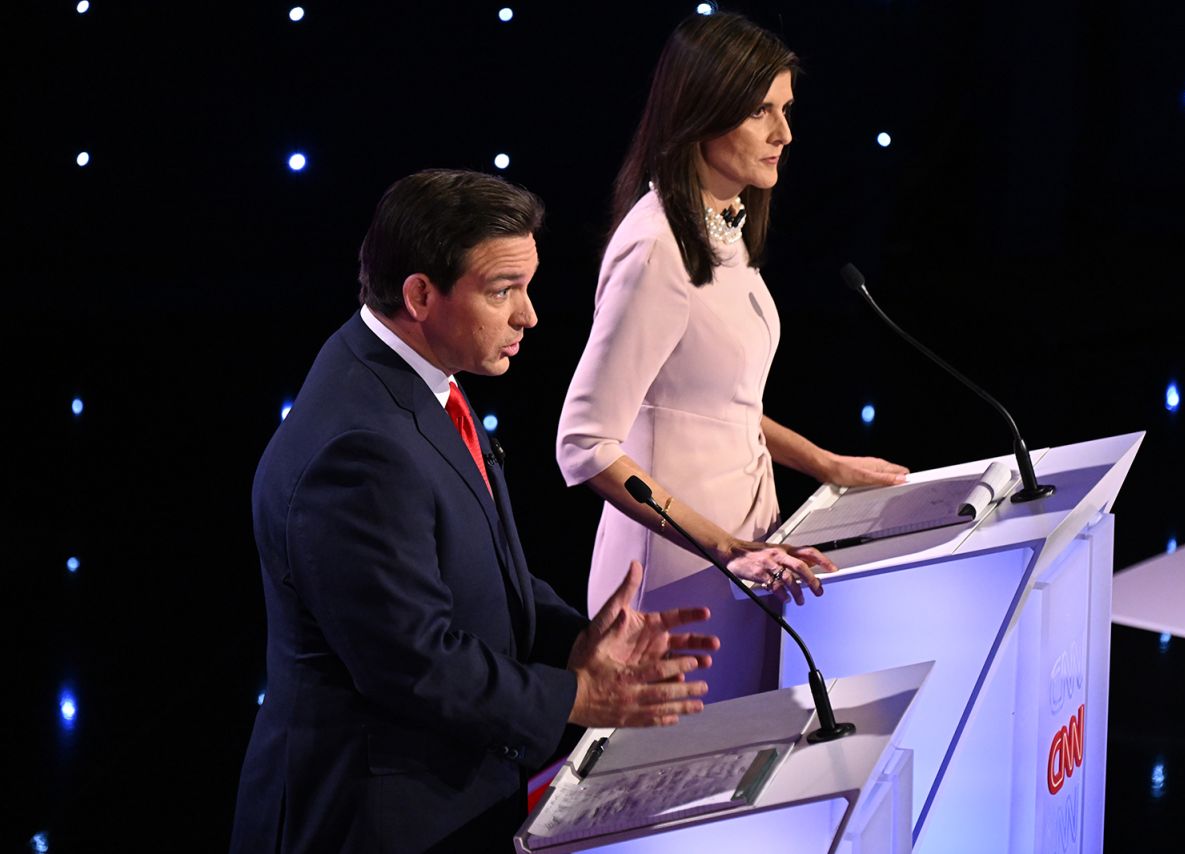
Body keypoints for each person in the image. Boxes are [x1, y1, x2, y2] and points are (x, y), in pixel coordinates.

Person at [230, 169, 717, 853]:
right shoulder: (359, 448)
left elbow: (478, 574)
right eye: (503, 291)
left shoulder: (407, 376)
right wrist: (577, 697)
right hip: (375, 821)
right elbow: (414, 662)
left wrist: (573, 642)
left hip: (450, 795)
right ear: (420, 294)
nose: (529, 315)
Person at [556, 13, 907, 698]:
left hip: (742, 554)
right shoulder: (656, 249)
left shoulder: (722, 220)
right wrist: (722, 545)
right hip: (677, 576)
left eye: (785, 110)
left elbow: (720, 405)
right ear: (700, 115)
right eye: (760, 112)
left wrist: (826, 466)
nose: (785, 134)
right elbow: (584, 444)